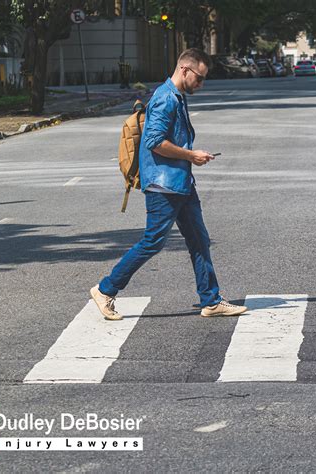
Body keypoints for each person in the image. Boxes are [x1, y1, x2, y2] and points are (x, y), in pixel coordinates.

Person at [91, 48, 247, 320]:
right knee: (152, 242)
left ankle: (210, 300)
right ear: (185, 70)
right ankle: (105, 290)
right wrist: (191, 155)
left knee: (199, 240)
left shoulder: (176, 96)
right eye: (199, 77)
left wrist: (190, 159)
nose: (201, 84)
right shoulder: (166, 99)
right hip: (164, 185)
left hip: (180, 182)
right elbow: (154, 142)